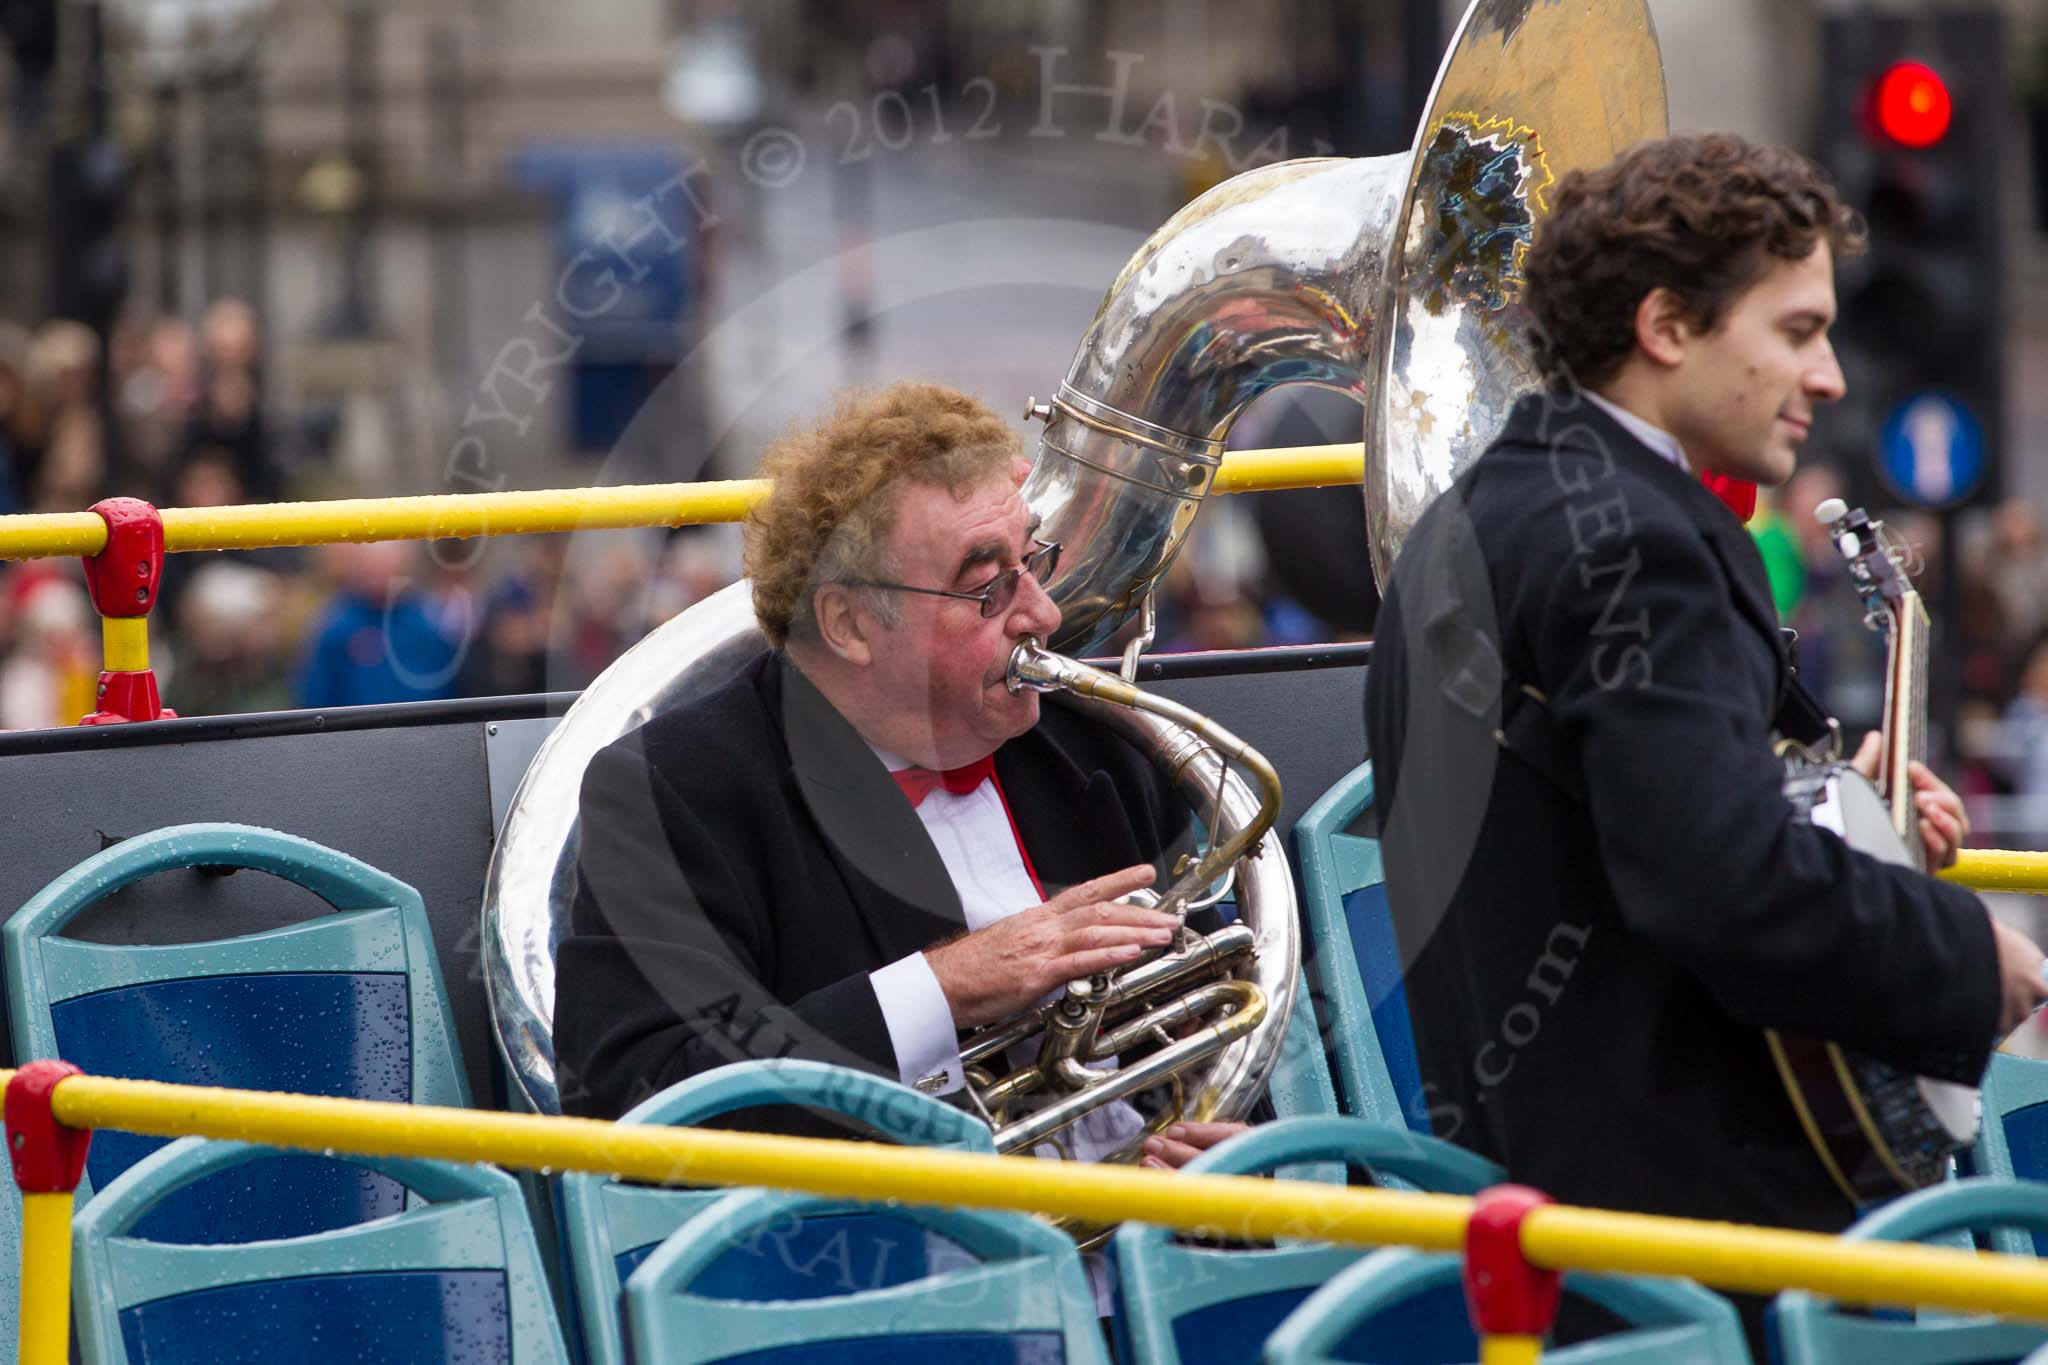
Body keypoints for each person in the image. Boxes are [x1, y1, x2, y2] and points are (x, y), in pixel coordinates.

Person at [1364, 134, 2048, 1334]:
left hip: (1539, 1236)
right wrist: (1962, 956)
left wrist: (1821, 797)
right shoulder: (1644, 541)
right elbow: (1718, 884)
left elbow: (1607, 818)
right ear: (1667, 326)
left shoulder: (1468, 518)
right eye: (1793, 332)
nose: (1828, 376)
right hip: (1696, 1257)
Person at [555, 382, 1245, 1173]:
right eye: (985, 582)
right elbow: (637, 1101)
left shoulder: (1099, 742)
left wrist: (1238, 1135)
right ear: (849, 622)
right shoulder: (675, 789)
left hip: (1176, 1255)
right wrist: (943, 989)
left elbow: (1230, 991)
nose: (1043, 615)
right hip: (894, 1275)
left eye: (1033, 561)